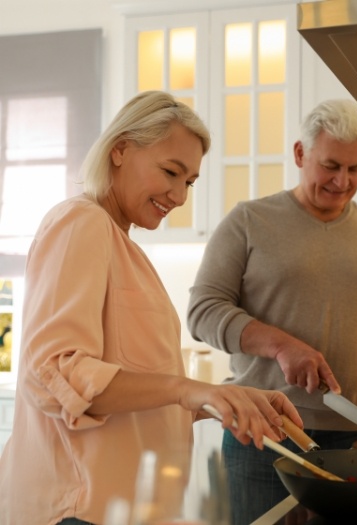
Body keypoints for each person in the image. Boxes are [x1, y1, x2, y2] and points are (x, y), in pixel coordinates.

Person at [0, 91, 303, 525]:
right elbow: (52, 374)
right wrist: (190, 390)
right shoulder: (80, 223)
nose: (180, 196)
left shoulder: (121, 245)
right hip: (76, 511)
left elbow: (131, 387)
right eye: (170, 171)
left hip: (121, 510)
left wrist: (224, 401)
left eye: (190, 182)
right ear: (120, 149)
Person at [187, 99, 357, 523]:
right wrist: (281, 346)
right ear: (301, 154)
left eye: (355, 168)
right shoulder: (248, 221)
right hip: (263, 437)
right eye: (331, 165)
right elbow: (203, 310)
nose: (343, 181)